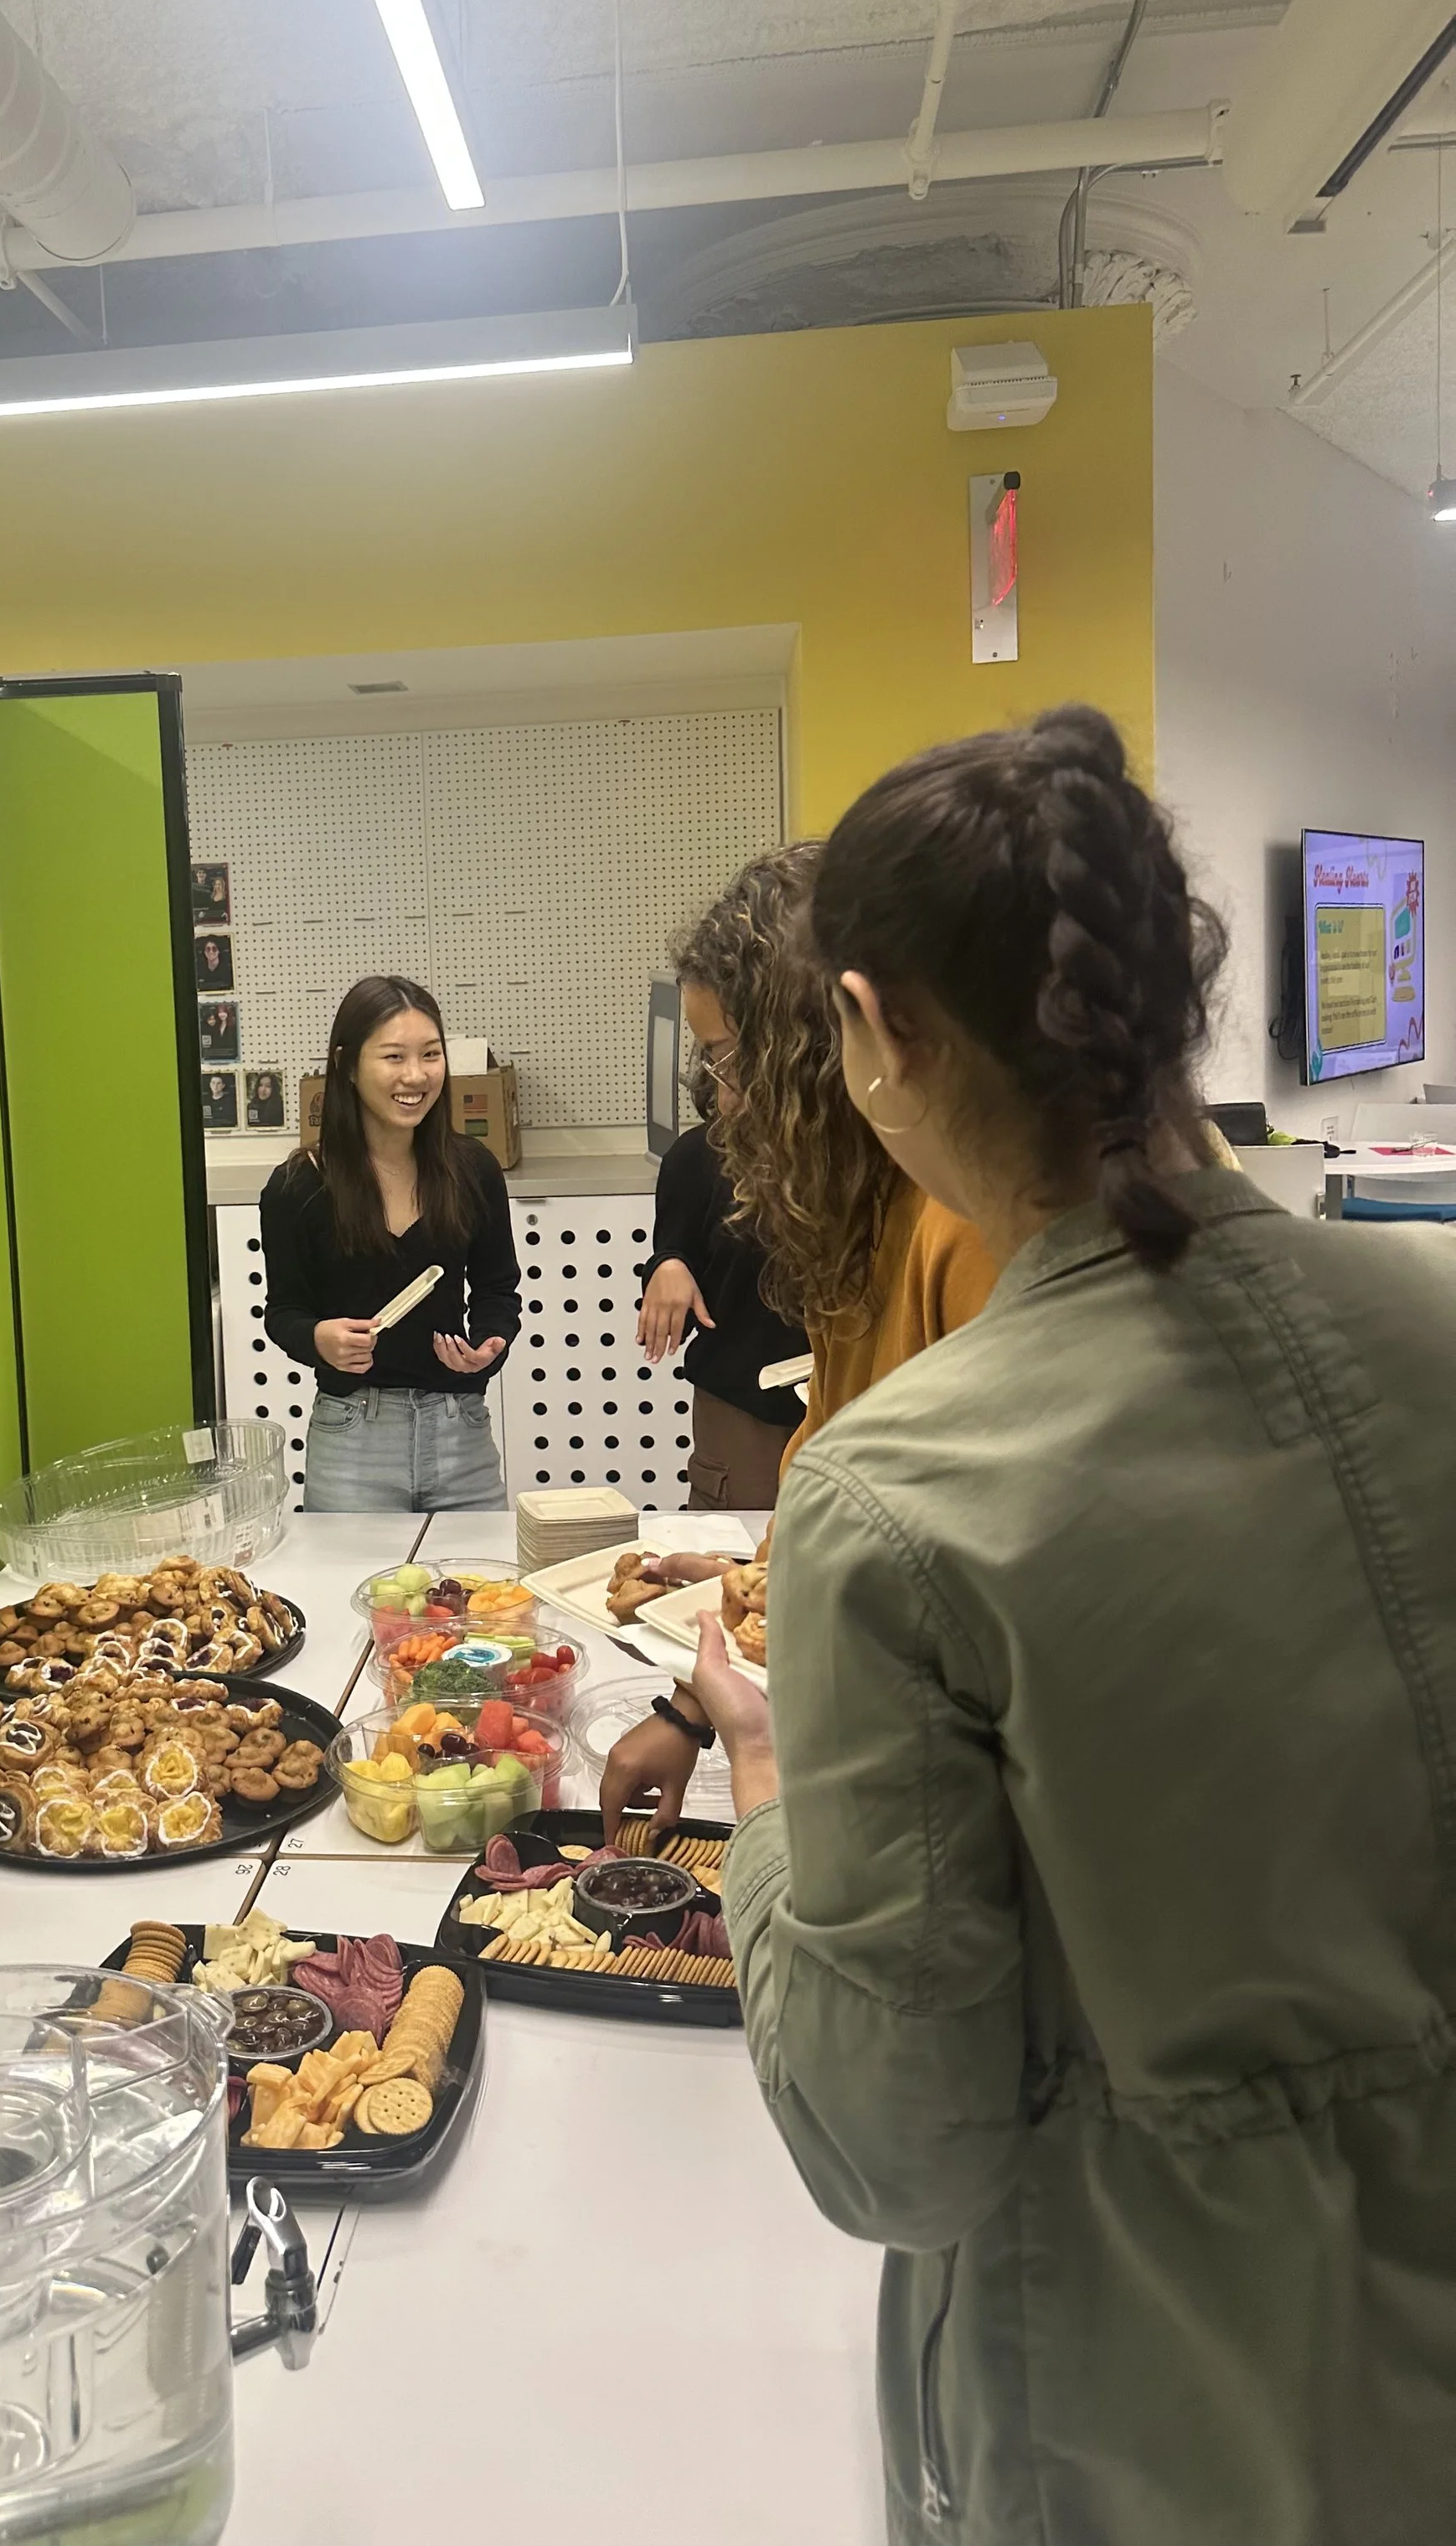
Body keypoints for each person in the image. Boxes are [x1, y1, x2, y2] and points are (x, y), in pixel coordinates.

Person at [695, 705, 1456, 2543]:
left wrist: (766, 1795)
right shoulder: (1427, 1327)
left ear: (870, 1030)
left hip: (1136, 2404)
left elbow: (896, 2143)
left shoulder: (899, 1499)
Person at [604, 847, 997, 1826]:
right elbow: (829, 1473)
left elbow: (975, 1585)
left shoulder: (965, 1227)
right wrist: (701, 1690)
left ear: (824, 1044)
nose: (723, 1099)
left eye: (732, 1061)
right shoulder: (857, 1219)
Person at [261, 974, 519, 1511]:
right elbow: (285, 1313)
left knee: (480, 1569)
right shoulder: (299, 1187)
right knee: (346, 1570)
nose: (416, 1075)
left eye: (431, 1054)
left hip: (461, 1431)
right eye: (394, 1057)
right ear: (347, 1065)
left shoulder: (472, 1169)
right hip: (352, 1435)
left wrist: (488, 1345)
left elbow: (498, 1291)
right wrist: (319, 1339)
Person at [638, 891, 809, 1505]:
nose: (722, 1090)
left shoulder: (872, 1160)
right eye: (709, 1057)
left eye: (722, 1055)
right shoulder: (699, 1157)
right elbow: (677, 1254)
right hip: (746, 1410)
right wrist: (668, 1265)